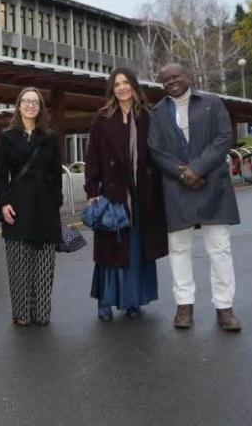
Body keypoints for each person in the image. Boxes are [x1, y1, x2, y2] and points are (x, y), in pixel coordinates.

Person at [148, 63, 242, 331]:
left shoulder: (212, 102)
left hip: (213, 183)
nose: (171, 81)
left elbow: (224, 137)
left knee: (220, 249)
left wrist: (197, 169)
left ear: (189, 77)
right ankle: (184, 306)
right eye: (165, 79)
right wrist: (184, 174)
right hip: (177, 187)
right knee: (178, 249)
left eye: (176, 76)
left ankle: (225, 308)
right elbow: (156, 150)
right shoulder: (156, 112)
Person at [83, 69, 168, 322]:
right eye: (117, 84)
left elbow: (158, 152)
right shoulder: (102, 118)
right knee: (110, 251)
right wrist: (92, 191)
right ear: (112, 89)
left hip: (143, 195)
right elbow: (93, 157)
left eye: (126, 83)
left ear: (134, 86)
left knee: (137, 250)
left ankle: (133, 300)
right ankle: (105, 302)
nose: (122, 88)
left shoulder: (147, 116)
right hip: (112, 194)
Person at [0, 87, 63, 326]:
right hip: (18, 204)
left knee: (44, 263)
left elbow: (56, 173)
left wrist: (57, 203)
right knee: (19, 262)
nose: (31, 105)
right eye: (26, 101)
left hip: (45, 205)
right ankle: (21, 312)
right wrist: (3, 204)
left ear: (40, 107)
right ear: (19, 105)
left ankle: (42, 311)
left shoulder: (50, 137)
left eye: (35, 102)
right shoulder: (7, 136)